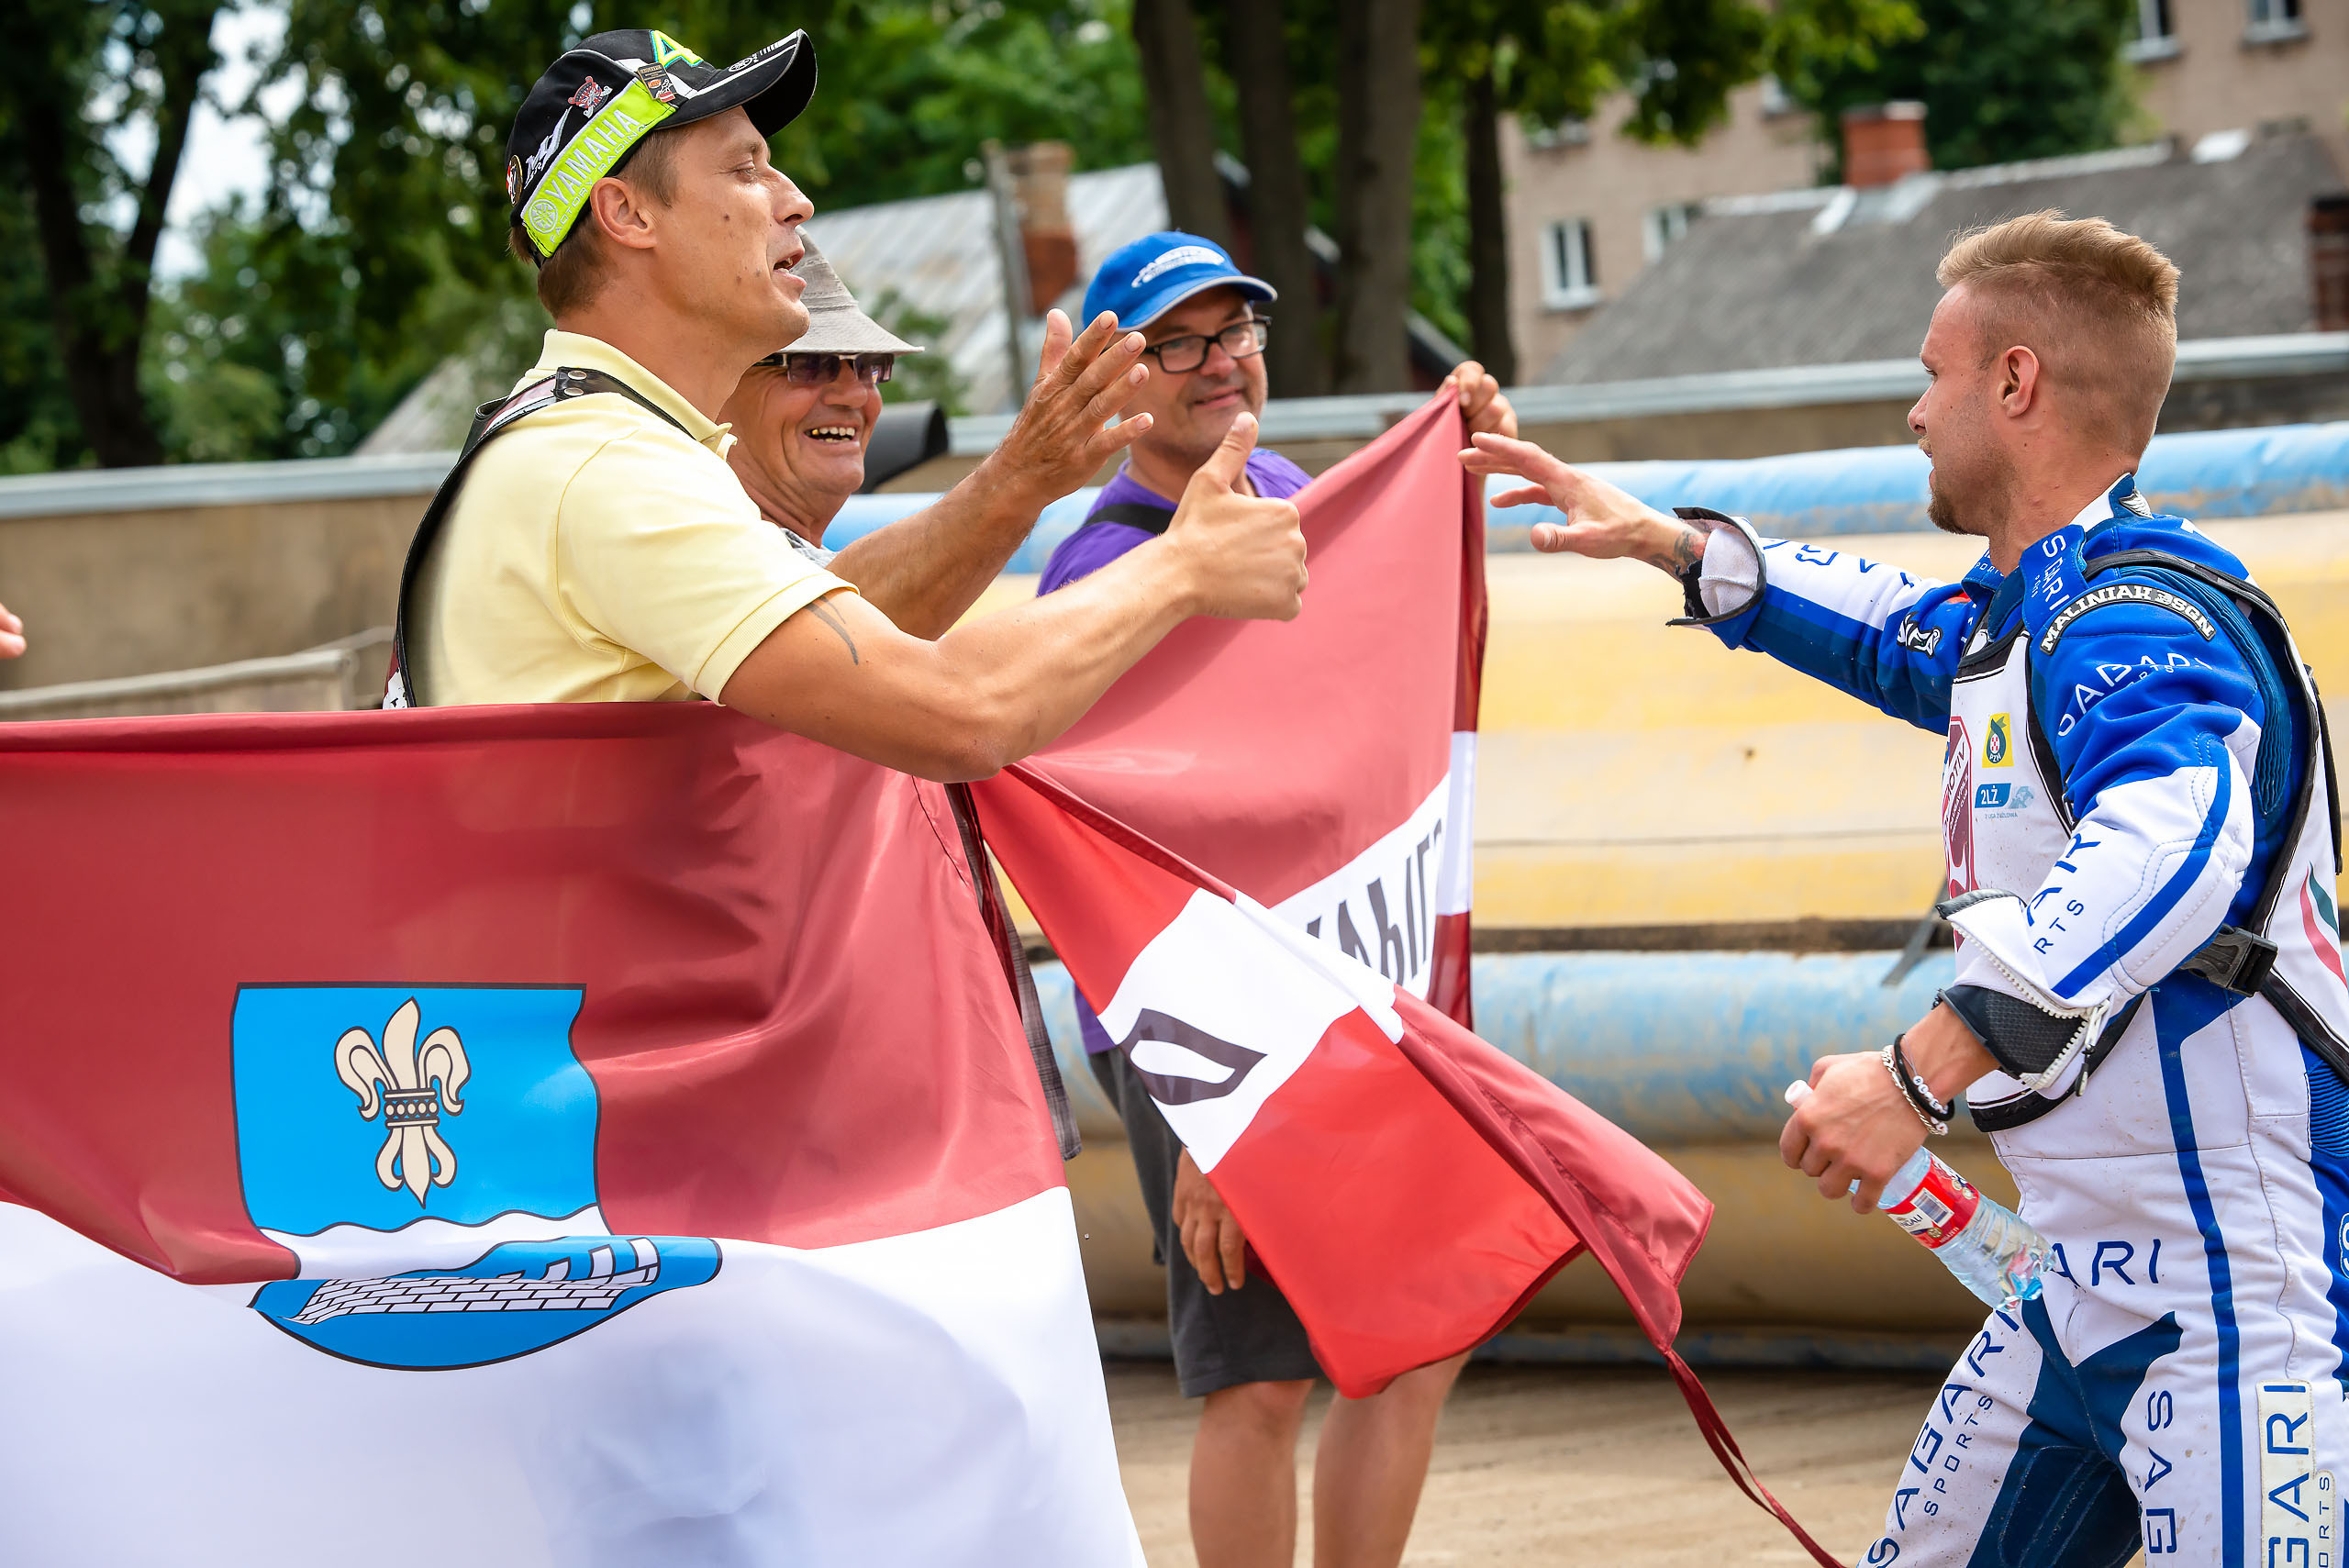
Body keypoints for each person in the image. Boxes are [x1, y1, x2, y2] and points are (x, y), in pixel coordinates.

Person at [1466, 211, 2349, 1568]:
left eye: (1934, 372)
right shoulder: (2031, 610)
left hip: (2241, 1298)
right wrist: (1663, 540)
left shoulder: (2130, 620)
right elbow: (1889, 628)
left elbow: (2175, 846)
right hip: (2079, 1284)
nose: (1912, 410)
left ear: (2017, 384)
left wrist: (1917, 1072)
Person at [397, 27, 1305, 804]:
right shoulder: (610, 472)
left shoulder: (591, 443)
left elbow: (851, 627)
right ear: (626, 213)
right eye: (746, 168)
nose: (797, 198)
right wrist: (1183, 568)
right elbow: (956, 710)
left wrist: (1017, 483)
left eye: (866, 364)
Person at [1039, 230, 1518, 1568]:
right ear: (1119, 382)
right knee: (1257, 1376)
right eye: (1175, 343)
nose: (1218, 363)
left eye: (1233, 331)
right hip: (1203, 1021)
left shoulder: (1300, 496)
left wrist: (1452, 451)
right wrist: (1213, 1118)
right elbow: (1131, 854)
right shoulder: (1106, 574)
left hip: (1340, 983)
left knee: (1412, 1343)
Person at [720, 237, 1130, 639]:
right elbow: (822, 641)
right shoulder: (693, 547)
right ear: (709, 386)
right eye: (809, 365)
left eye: (870, 366)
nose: (855, 393)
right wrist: (1021, 475)